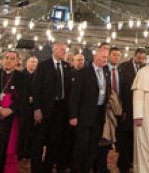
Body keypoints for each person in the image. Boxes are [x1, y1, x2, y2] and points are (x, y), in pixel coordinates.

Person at [69, 46, 110, 173]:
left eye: (106, 57)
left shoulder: (106, 71)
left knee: (93, 147)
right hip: (83, 116)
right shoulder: (84, 72)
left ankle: (86, 169)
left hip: (99, 115)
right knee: (82, 146)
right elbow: (74, 96)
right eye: (103, 57)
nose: (105, 59)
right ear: (95, 57)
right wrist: (73, 116)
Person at [32, 41, 72, 172]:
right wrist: (37, 109)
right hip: (44, 109)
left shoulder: (66, 67)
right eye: (62, 50)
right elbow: (37, 88)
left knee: (54, 141)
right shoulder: (44, 66)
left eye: (65, 50)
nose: (64, 52)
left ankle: (47, 167)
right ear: (54, 50)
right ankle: (36, 169)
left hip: (60, 109)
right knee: (39, 141)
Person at [118, 47, 145, 173]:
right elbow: (120, 89)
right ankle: (123, 165)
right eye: (139, 58)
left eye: (143, 58)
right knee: (125, 138)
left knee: (137, 138)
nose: (141, 60)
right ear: (134, 56)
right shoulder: (123, 67)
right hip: (127, 109)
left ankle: (133, 162)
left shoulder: (145, 69)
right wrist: (122, 109)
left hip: (140, 110)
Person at [19, 54, 38, 161]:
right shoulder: (21, 75)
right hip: (22, 107)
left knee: (32, 131)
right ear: (27, 63)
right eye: (31, 62)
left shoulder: (39, 75)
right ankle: (21, 152)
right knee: (22, 130)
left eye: (35, 62)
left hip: (34, 107)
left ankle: (30, 152)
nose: (33, 64)